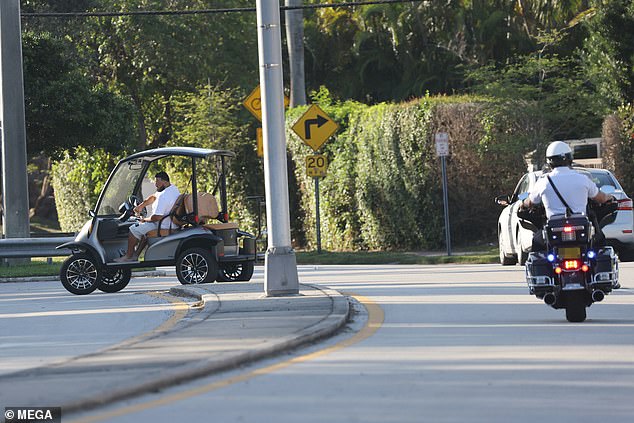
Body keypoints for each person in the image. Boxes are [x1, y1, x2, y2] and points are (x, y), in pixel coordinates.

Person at [520, 141, 614, 252]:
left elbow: (530, 201)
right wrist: (609, 197)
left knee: (537, 243)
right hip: (582, 228)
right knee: (600, 242)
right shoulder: (582, 179)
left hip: (553, 229)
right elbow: (601, 198)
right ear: (570, 158)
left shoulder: (543, 182)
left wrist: (522, 203)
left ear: (549, 161)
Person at [114, 171, 180, 262]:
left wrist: (144, 220)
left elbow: (156, 217)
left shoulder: (163, 197)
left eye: (157, 182)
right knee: (144, 230)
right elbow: (154, 196)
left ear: (164, 182)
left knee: (133, 229)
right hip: (171, 223)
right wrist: (141, 206)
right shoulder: (173, 189)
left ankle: (128, 256)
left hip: (162, 225)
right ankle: (135, 255)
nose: (155, 185)